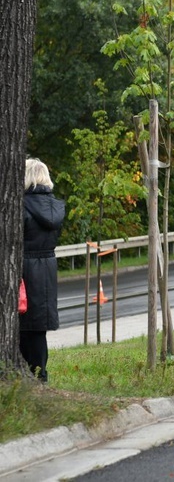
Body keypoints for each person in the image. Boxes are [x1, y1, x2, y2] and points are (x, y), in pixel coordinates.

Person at [21, 158, 66, 382]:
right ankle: (40, 374)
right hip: (47, 268)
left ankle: (30, 375)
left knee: (22, 325)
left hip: (24, 268)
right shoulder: (56, 207)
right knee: (38, 328)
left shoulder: (20, 206)